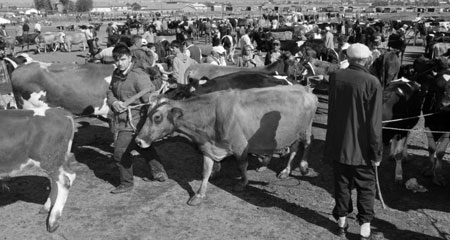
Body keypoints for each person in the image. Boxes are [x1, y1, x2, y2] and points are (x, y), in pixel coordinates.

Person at [324, 43, 382, 240]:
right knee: (366, 186)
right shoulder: (372, 82)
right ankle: (365, 226)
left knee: (342, 184)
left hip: (338, 144)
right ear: (367, 59)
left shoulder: (336, 77)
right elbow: (374, 124)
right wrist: (376, 153)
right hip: (362, 148)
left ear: (348, 57)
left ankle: (341, 222)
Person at [107, 43, 168, 194]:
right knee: (141, 146)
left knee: (120, 152)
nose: (119, 63)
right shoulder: (116, 73)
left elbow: (150, 98)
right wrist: (114, 102)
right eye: (116, 59)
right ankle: (159, 171)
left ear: (129, 58)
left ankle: (126, 183)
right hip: (120, 117)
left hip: (135, 120)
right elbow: (110, 91)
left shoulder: (139, 76)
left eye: (122, 59)